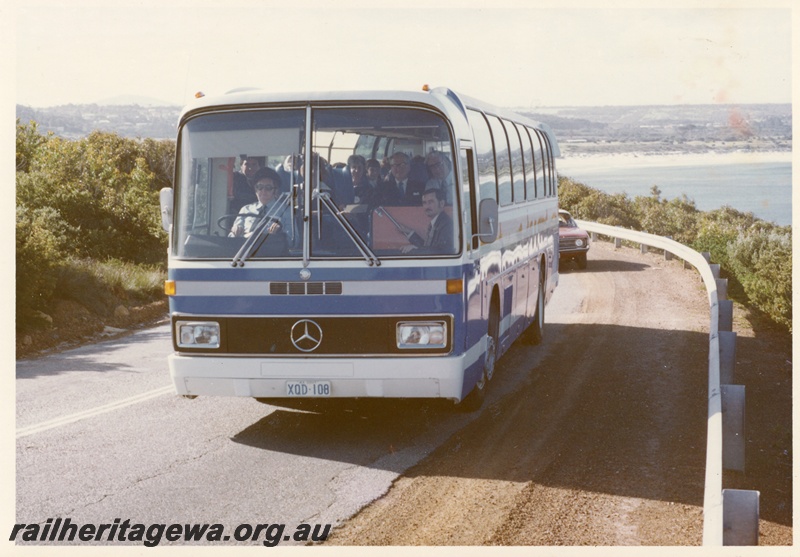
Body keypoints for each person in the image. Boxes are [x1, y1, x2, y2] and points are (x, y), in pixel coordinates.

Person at [229, 167, 287, 238]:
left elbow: (293, 241)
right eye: (259, 187)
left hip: (271, 248)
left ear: (275, 190)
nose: (263, 191)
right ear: (255, 189)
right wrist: (235, 232)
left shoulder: (285, 210)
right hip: (244, 248)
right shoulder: (245, 209)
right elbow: (231, 238)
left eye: (268, 187)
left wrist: (276, 235)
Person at [398, 188, 454, 254]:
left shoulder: (446, 224)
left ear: (441, 203)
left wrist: (418, 249)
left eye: (431, 202)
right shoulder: (436, 222)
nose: (427, 206)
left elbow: (441, 251)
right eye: (424, 203)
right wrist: (410, 232)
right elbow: (428, 247)